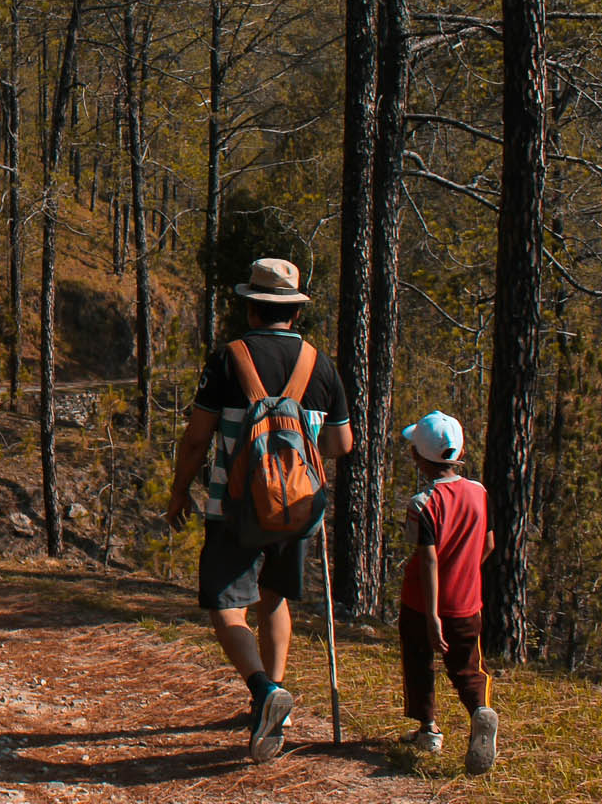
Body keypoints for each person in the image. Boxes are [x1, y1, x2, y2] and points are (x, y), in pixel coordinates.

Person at [166, 258, 354, 762]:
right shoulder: (320, 364)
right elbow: (341, 443)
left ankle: (264, 692)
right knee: (275, 599)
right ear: (294, 311)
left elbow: (196, 438)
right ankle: (278, 703)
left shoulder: (228, 360)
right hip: (297, 506)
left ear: (251, 307)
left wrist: (179, 489)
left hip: (234, 506)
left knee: (227, 606)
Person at [397, 410, 500, 775]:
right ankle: (480, 711)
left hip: (421, 604)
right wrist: (468, 568)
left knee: (419, 660)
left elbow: (428, 561)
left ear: (417, 457)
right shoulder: (479, 492)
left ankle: (429, 729)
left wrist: (433, 614)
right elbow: (487, 543)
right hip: (468, 601)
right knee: (467, 666)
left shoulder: (422, 503)